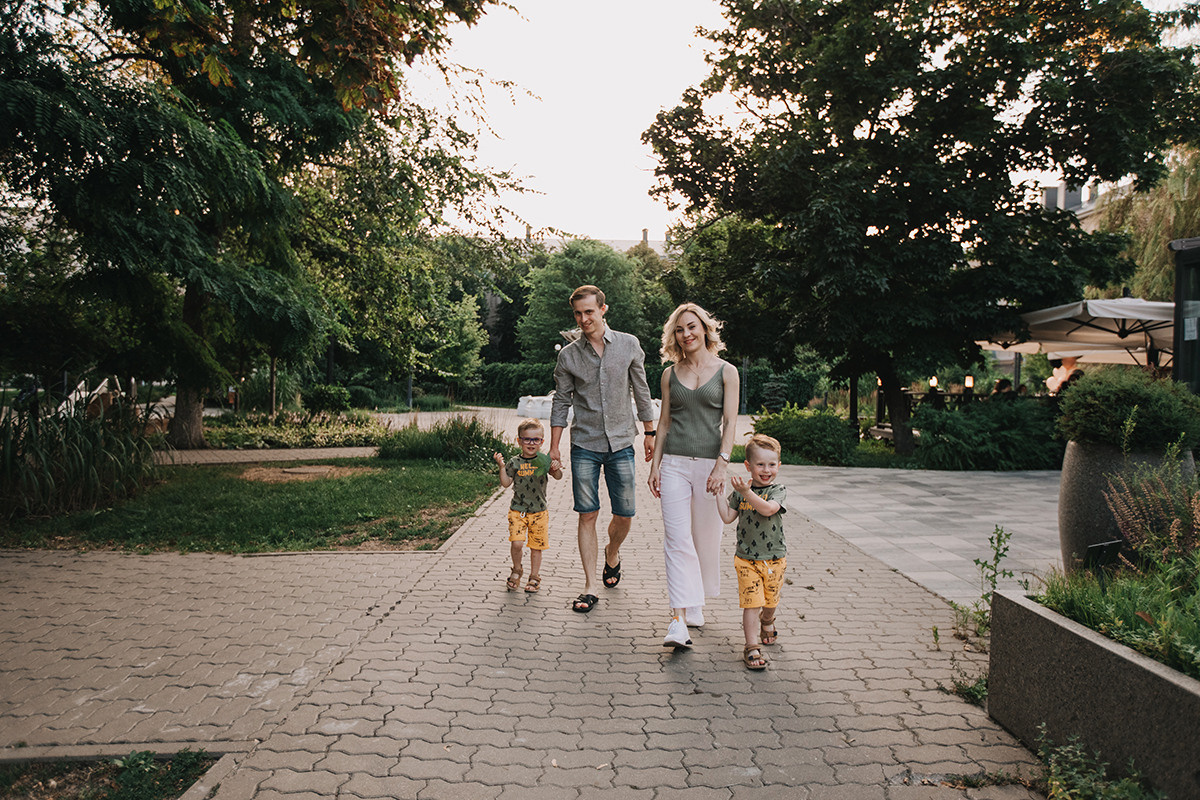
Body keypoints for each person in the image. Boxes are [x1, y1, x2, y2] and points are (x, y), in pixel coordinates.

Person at [549, 285, 657, 614]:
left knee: (625, 513)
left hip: (622, 441)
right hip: (584, 443)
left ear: (603, 310)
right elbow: (561, 402)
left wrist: (649, 432)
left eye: (589, 312)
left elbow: (641, 390)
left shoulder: (628, 345)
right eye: (578, 314)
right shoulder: (568, 356)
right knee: (588, 513)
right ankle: (589, 586)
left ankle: (613, 553)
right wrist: (554, 447)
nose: (583, 319)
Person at [648, 303, 739, 649]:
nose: (686, 334)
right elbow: (665, 422)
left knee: (705, 538)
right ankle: (679, 620)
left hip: (709, 466)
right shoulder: (670, 374)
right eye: (680, 330)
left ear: (704, 329)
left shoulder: (727, 371)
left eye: (692, 327)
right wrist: (655, 464)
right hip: (673, 463)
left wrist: (722, 463)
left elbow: (730, 423)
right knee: (677, 538)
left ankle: (696, 601)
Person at [717, 433, 788, 670]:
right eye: (760, 464)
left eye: (771, 464)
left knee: (770, 600)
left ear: (778, 465)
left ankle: (767, 619)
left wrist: (747, 493)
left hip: (774, 559)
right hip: (746, 559)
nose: (766, 470)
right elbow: (728, 517)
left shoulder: (778, 490)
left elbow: (768, 510)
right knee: (751, 602)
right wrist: (719, 493)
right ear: (748, 466)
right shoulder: (740, 492)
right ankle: (751, 645)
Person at [494, 418, 563, 594]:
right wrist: (501, 466)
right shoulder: (514, 462)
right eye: (527, 439)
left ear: (542, 442)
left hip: (539, 512)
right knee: (517, 543)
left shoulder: (543, 460)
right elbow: (506, 483)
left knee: (536, 546)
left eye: (536, 440)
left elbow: (558, 476)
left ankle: (534, 577)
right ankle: (517, 569)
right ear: (519, 441)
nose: (531, 443)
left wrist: (555, 468)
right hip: (518, 510)